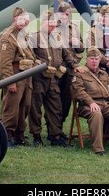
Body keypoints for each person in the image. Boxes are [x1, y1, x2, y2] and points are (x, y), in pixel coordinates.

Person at [29, 10, 82, 147]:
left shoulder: (57, 37)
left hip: (53, 79)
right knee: (35, 108)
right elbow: (30, 57)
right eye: (50, 23)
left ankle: (56, 136)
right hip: (38, 78)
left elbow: (66, 55)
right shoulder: (34, 37)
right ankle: (36, 136)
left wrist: (75, 66)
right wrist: (40, 65)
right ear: (43, 23)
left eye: (54, 23)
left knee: (55, 107)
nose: (53, 26)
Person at [71, 46, 109, 155]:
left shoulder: (104, 74)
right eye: (91, 59)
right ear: (87, 59)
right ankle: (98, 148)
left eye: (96, 59)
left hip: (105, 104)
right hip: (87, 106)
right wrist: (91, 102)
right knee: (97, 114)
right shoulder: (80, 73)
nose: (94, 61)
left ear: (99, 60)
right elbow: (79, 92)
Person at [0, 7, 38, 147]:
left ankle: (19, 136)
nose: (24, 22)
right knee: (11, 107)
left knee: (25, 106)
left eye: (26, 20)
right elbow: (4, 61)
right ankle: (6, 137)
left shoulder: (23, 34)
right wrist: (10, 81)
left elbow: (30, 54)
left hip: (26, 75)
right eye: (21, 19)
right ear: (15, 20)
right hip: (14, 75)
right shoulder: (8, 37)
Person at [56, 2, 84, 130]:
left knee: (66, 99)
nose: (64, 17)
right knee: (54, 100)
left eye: (67, 14)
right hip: (56, 69)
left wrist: (78, 43)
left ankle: (60, 126)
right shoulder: (53, 27)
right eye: (62, 14)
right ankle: (54, 128)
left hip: (71, 69)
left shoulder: (75, 28)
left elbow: (81, 50)